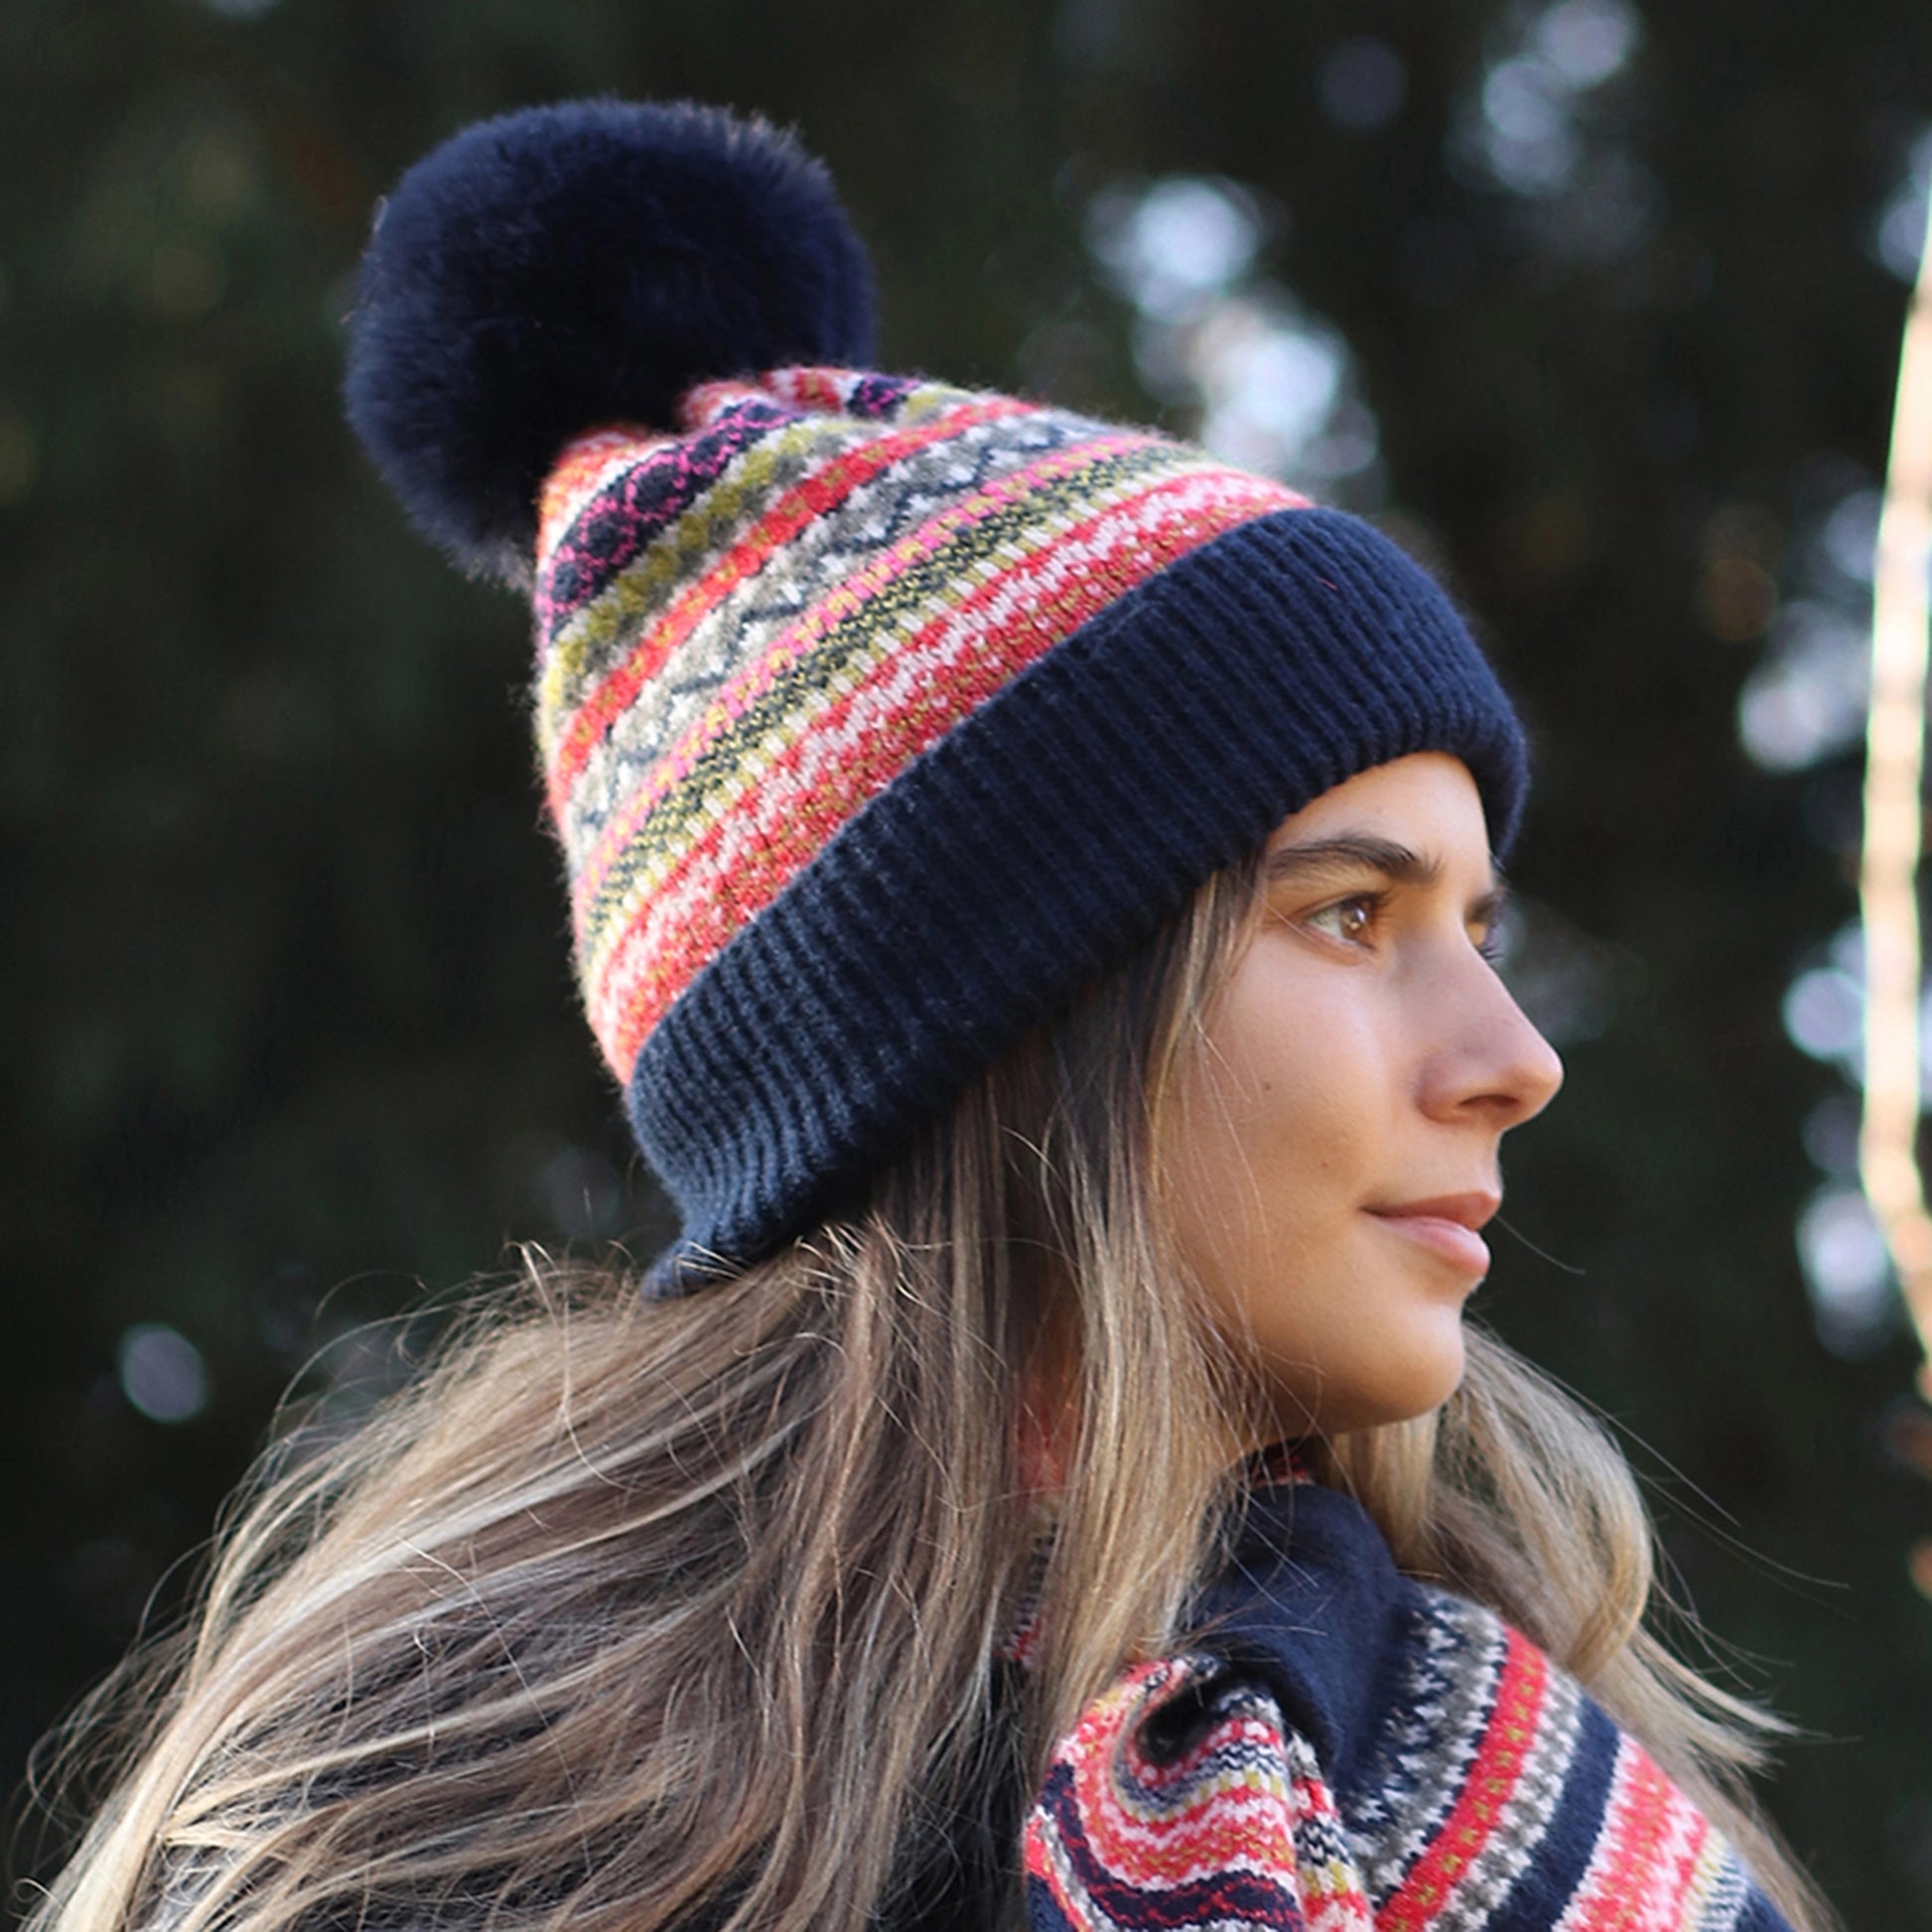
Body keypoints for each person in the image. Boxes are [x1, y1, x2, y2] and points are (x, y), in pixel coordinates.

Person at [30, 100, 1837, 1932]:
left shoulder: (1536, 1820)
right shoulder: (456, 1832)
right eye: (1350, 913)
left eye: (1479, 923)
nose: (1514, 1059)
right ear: (998, 1014)